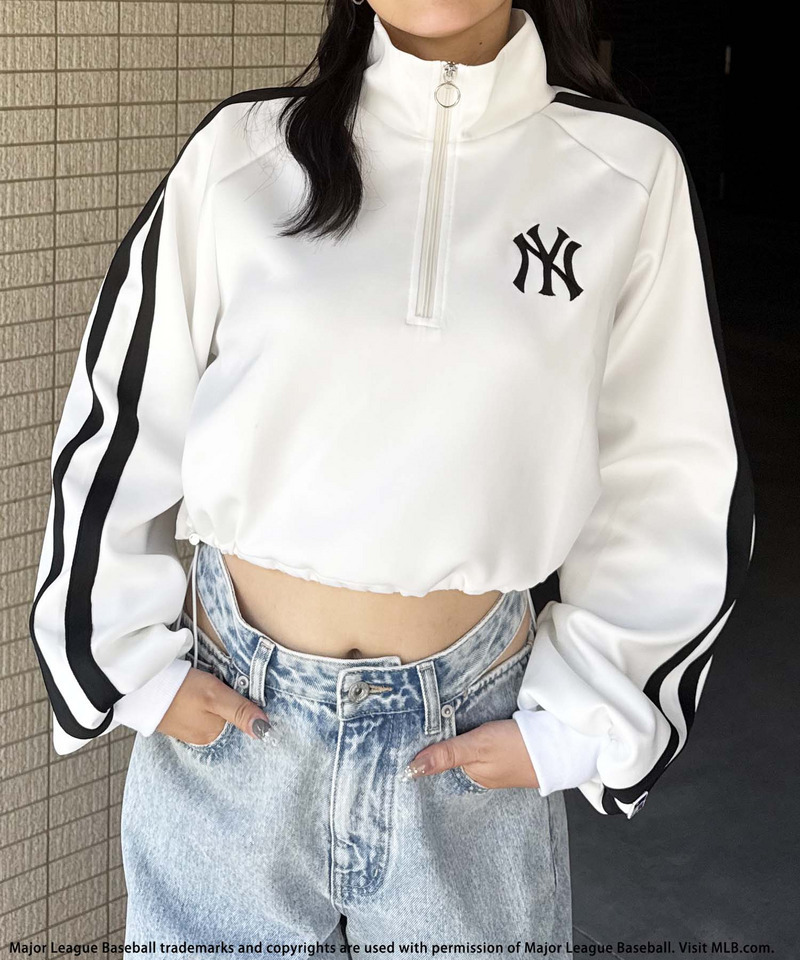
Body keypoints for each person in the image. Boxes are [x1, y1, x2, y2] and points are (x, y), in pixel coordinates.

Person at [27, 0, 755, 948]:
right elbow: (124, 417)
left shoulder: (624, 173)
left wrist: (587, 718)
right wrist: (125, 663)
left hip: (470, 734)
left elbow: (669, 467)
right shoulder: (244, 152)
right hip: (233, 725)